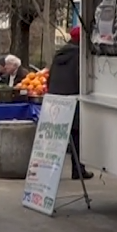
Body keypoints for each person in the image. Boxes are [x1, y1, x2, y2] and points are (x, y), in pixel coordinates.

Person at [47, 25, 93, 180]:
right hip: (73, 100)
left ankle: (47, 172)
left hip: (55, 100)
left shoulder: (59, 55)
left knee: (55, 137)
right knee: (76, 135)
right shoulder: (80, 56)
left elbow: (50, 76)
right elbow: (81, 79)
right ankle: (78, 169)